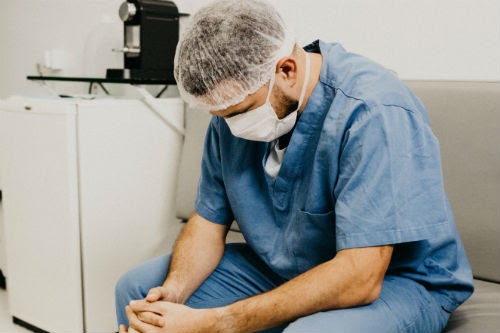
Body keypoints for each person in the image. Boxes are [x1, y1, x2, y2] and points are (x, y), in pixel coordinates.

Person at [115, 0, 474, 332]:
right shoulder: (233, 109)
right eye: (222, 116)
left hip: (400, 280)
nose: (233, 126)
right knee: (138, 290)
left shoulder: (373, 111)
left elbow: (361, 277)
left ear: (286, 69)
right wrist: (172, 295)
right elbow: (208, 222)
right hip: (287, 266)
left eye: (239, 113)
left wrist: (217, 322)